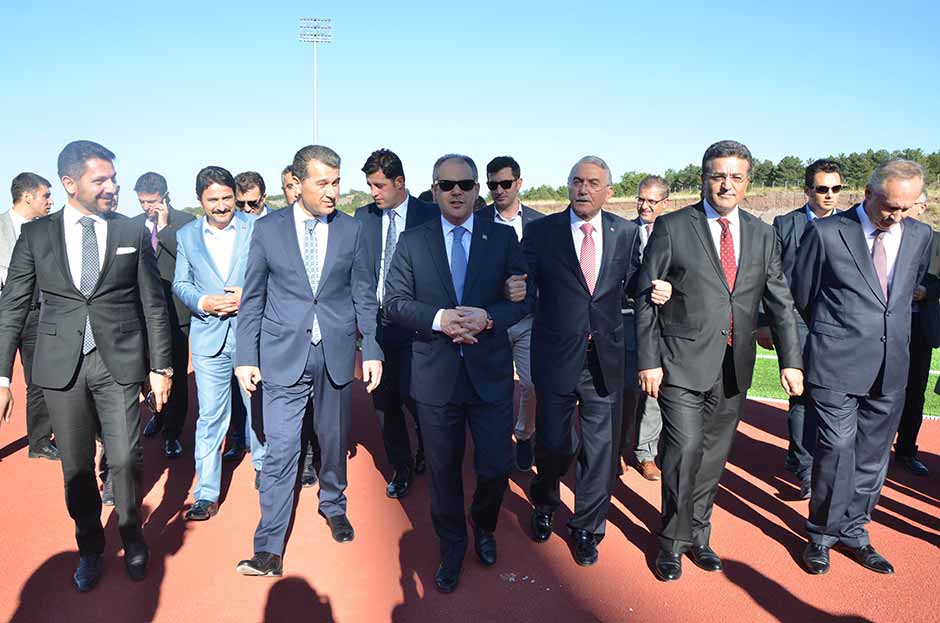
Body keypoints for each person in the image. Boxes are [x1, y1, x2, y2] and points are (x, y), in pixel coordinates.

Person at [0, 140, 173, 591]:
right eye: (101, 180)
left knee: (126, 458)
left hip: (119, 362)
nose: (112, 187)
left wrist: (162, 368)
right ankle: (91, 547)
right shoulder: (37, 235)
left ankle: (133, 537)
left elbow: (154, 304)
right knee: (76, 468)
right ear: (70, 183)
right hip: (61, 368)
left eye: (113, 178)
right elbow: (12, 305)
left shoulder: (131, 230)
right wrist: (2, 376)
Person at [636, 140, 803, 582]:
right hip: (680, 362)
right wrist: (649, 360)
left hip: (734, 365)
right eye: (718, 176)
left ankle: (699, 534)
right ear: (703, 179)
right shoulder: (673, 226)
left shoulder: (763, 234)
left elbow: (780, 303)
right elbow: (646, 295)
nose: (726, 184)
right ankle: (672, 541)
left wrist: (791, 360)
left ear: (747, 182)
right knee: (685, 449)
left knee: (713, 456)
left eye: (736, 177)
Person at [234, 145, 382, 576]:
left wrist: (372, 348)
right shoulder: (268, 230)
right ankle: (268, 547)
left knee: (333, 441)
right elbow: (253, 297)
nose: (333, 192)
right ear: (297, 184)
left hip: (335, 352)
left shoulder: (352, 230)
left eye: (337, 182)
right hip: (282, 354)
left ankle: (333, 504)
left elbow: (363, 294)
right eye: (323, 183)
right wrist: (245, 356)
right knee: (281, 448)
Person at [384, 153, 528, 593]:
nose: (457, 192)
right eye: (447, 185)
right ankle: (452, 545)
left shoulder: (501, 237)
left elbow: (524, 298)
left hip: (489, 375)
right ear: (434, 191)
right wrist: (440, 319)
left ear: (477, 190)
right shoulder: (413, 241)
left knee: (495, 464)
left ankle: (484, 524)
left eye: (465, 184)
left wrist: (489, 317)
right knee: (443, 472)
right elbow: (394, 302)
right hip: (436, 377)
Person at [523, 156, 671, 567]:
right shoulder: (542, 232)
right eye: (576, 181)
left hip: (604, 358)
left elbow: (637, 283)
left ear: (608, 191)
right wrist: (513, 288)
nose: (583, 189)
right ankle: (545, 502)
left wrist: (659, 289)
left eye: (592, 183)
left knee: (601, 449)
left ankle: (587, 527)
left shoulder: (625, 232)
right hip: (556, 356)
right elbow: (523, 279)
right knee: (553, 445)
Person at [793, 159, 931, 575]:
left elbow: (905, 292)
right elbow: (803, 293)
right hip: (835, 363)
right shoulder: (827, 232)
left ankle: (854, 531)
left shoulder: (920, 235)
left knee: (872, 458)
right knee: (837, 449)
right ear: (868, 193)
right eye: (889, 206)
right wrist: (835, 333)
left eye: (906, 208)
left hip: (891, 366)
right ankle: (821, 535)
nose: (896, 216)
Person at [173, 166, 266, 520]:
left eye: (227, 198)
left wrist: (249, 295)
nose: (222, 205)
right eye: (214, 199)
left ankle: (264, 468)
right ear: (200, 200)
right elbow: (180, 283)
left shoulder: (257, 227)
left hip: (250, 334)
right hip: (208, 336)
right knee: (210, 415)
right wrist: (203, 302)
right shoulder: (186, 236)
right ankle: (206, 493)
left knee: (258, 406)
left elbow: (275, 274)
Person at [758, 160, 844, 498]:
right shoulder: (785, 224)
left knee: (833, 395)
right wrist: (764, 322)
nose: (829, 195)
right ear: (807, 190)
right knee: (802, 394)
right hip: (795, 321)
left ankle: (816, 459)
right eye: (822, 189)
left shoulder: (850, 225)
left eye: (836, 188)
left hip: (838, 325)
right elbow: (769, 275)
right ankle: (805, 467)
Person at [354, 148, 437, 498]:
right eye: (370, 185)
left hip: (418, 326)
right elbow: (360, 275)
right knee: (384, 402)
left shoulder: (430, 215)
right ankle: (401, 466)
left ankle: (430, 450)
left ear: (399, 182)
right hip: (377, 325)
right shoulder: (363, 217)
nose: (373, 192)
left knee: (417, 397)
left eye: (379, 185)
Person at [476, 155, 544, 471]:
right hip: (492, 321)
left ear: (519, 183)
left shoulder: (540, 224)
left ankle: (524, 434)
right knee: (494, 385)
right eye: (493, 185)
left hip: (529, 320)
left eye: (505, 183)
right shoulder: (477, 221)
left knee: (531, 384)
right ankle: (496, 443)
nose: (499, 190)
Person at [130, 172, 196, 458]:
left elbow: (190, 259)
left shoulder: (186, 223)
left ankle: (173, 432)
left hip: (176, 314)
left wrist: (166, 227)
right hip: (142, 315)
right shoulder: (132, 226)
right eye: (142, 202)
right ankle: (157, 414)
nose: (147, 207)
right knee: (147, 373)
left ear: (165, 196)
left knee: (176, 376)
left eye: (152, 201)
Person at [0, 173, 57, 460]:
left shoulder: (47, 231)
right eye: (46, 195)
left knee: (39, 381)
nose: (51, 201)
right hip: (4, 317)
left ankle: (39, 443)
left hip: (37, 316)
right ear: (27, 197)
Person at [620, 175, 669, 481]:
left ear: (665, 203)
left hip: (663, 322)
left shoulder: (675, 233)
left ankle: (645, 453)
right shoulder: (623, 232)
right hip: (626, 318)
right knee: (625, 389)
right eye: (641, 199)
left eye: (652, 201)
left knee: (654, 391)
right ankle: (616, 448)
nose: (644, 206)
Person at [895, 190, 936, 476]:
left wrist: (926, 292)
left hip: (920, 329)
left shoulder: (936, 241)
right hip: (882, 329)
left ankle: (907, 450)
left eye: (910, 204)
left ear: (921, 207)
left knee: (915, 393)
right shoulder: (882, 236)